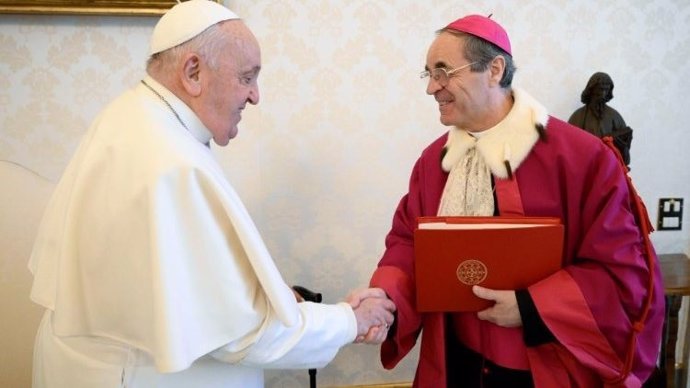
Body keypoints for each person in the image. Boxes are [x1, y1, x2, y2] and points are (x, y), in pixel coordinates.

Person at [28, 1, 394, 387]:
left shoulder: (134, 116)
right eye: (247, 77)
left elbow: (190, 287)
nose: (255, 96)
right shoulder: (172, 162)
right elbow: (243, 332)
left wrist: (270, 298)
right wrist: (350, 320)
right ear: (193, 72)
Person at [365, 14, 664, 388]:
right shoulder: (432, 162)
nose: (432, 88)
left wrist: (532, 306)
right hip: (456, 359)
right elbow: (409, 244)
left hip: (542, 366)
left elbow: (621, 273)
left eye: (443, 72)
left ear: (494, 69)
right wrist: (384, 297)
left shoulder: (581, 157)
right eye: (428, 74)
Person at [568, 72, 633, 168]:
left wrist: (622, 146)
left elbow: (625, 158)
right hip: (586, 168)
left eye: (606, 90)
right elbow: (569, 147)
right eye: (600, 89)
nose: (603, 94)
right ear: (591, 90)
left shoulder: (615, 116)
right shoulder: (578, 116)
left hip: (609, 169)